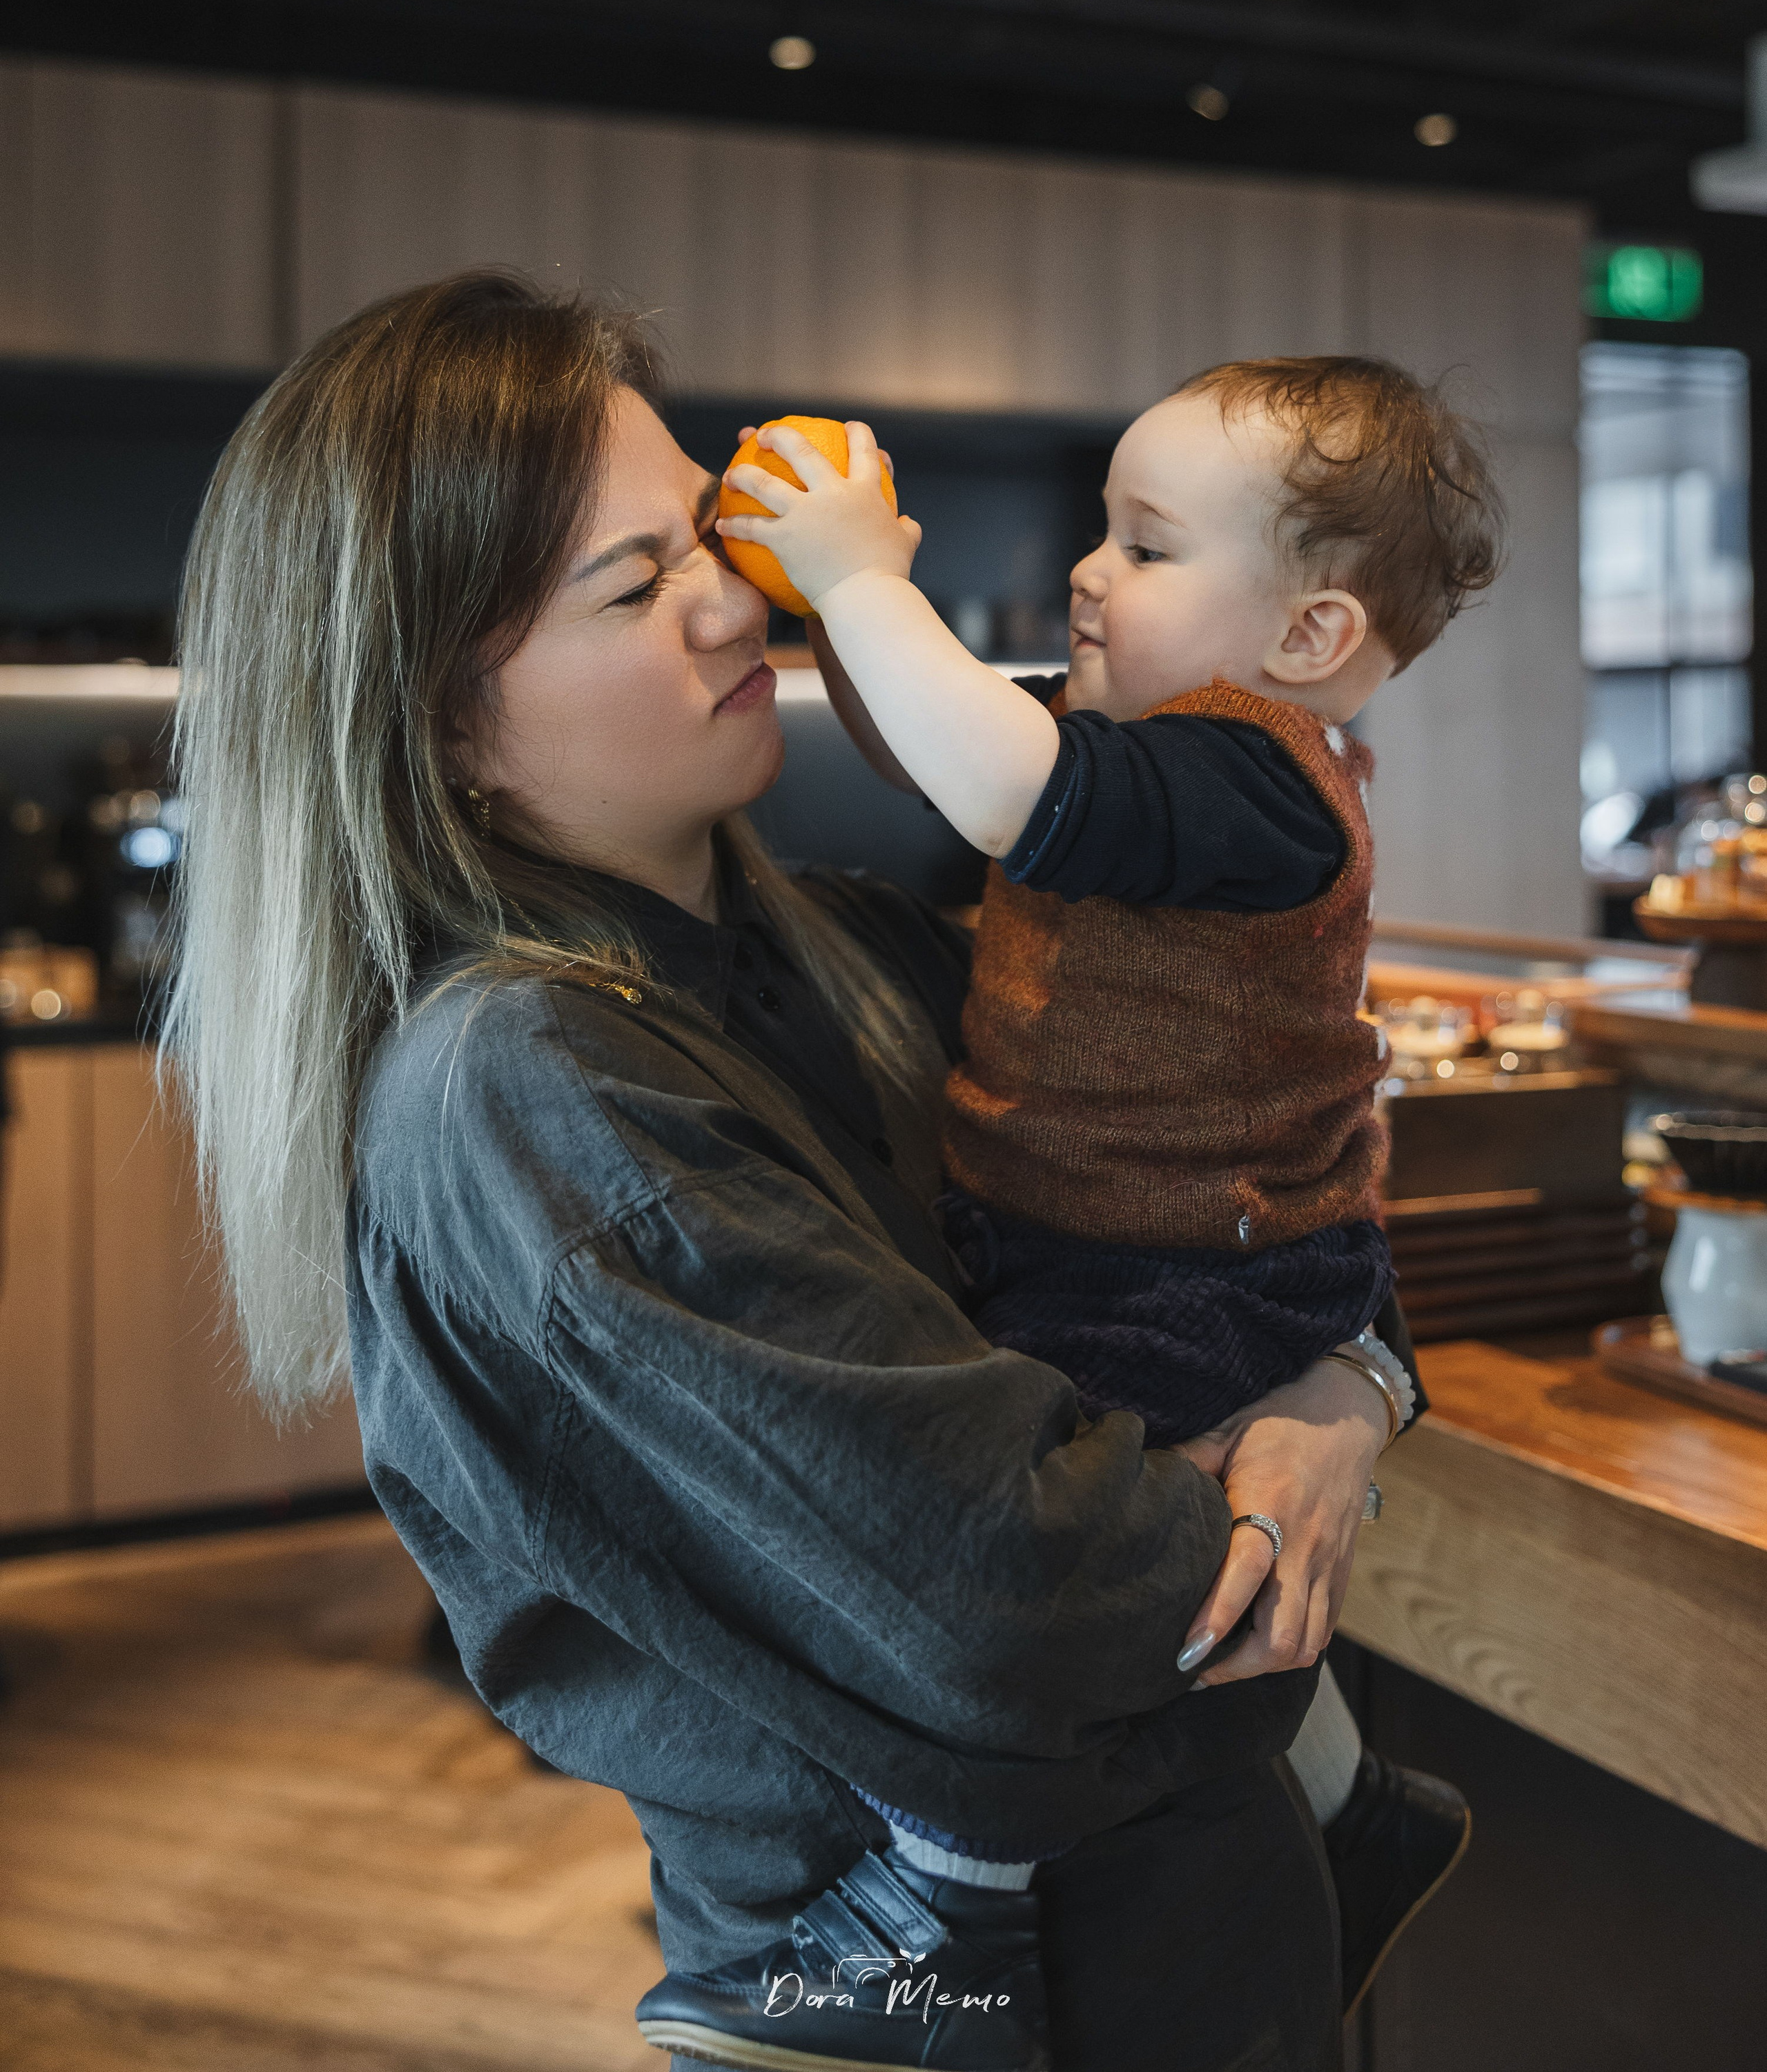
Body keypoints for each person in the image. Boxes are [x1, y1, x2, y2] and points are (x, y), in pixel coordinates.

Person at [167, 271, 1407, 2072]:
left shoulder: (851, 943)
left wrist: (1340, 1394)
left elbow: (1242, 1183)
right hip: (958, 2005)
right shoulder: (527, 1086)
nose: (737, 598)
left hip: (1188, 1941)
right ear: (434, 715)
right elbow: (1019, 1603)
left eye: (709, 535)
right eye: (633, 585)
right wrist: (1266, 1502)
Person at [697, 360, 1492, 2061]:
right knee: (1131, 1558)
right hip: (1114, 1241)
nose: (1085, 568)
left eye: (1144, 543)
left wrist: (855, 576)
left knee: (1026, 1566)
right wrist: (842, 603)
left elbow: (999, 785)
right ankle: (1350, 1805)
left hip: (1177, 1269)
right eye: (1102, 530)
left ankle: (941, 1904)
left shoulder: (1254, 782)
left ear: (1304, 636)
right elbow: (949, 752)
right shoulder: (1141, 759)